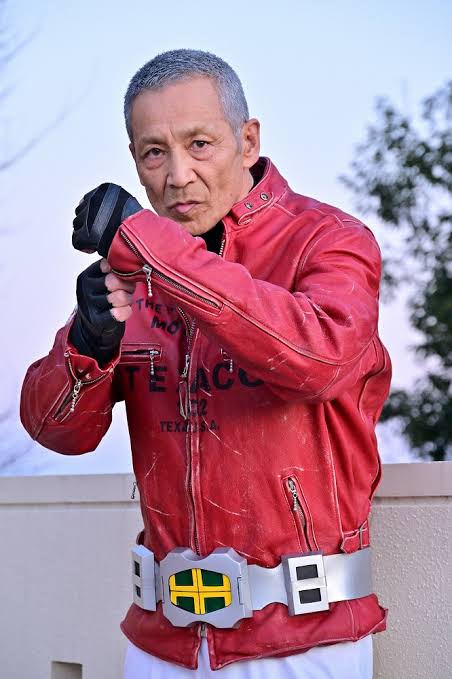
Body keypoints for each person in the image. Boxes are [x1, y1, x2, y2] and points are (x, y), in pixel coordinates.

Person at [21, 49, 391, 677]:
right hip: (160, 642)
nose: (178, 175)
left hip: (304, 642)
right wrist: (89, 341)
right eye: (154, 153)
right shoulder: (138, 271)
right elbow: (56, 431)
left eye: (199, 144)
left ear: (248, 141)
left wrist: (156, 250)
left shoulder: (329, 239)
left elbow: (319, 360)